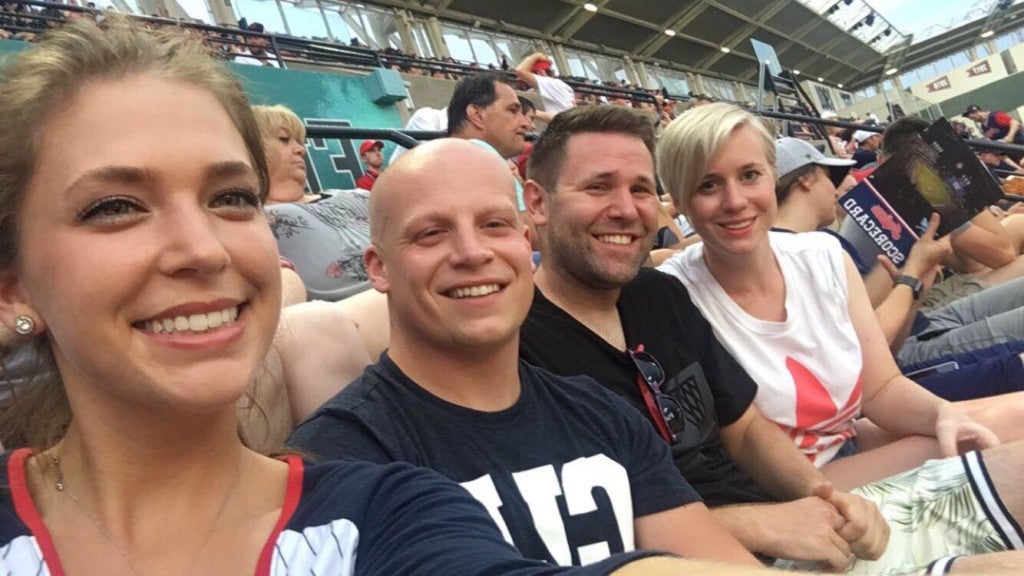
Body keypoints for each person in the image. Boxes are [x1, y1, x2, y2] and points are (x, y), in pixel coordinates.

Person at [0, 17, 716, 576]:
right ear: (13, 283)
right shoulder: (363, 438)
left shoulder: (387, 513)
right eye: (115, 206)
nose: (202, 249)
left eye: (230, 198)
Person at [518, 105, 1024, 575]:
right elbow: (581, 528)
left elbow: (744, 428)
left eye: (640, 189)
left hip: (803, 513)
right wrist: (767, 520)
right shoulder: (517, 349)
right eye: (599, 187)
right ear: (536, 202)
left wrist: (820, 496)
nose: (625, 209)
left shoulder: (655, 296)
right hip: (743, 552)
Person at [288, 138, 760, 568]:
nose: (472, 253)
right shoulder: (337, 458)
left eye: (494, 225)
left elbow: (719, 563)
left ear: (524, 243)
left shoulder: (601, 414)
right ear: (379, 268)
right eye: (431, 233)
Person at [251, 104, 317, 204]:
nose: (301, 149)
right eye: (284, 139)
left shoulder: (339, 198)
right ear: (253, 147)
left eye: (300, 142)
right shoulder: (238, 215)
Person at [515, 52, 575, 121]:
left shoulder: (549, 83)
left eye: (532, 74)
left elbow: (520, 71)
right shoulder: (560, 85)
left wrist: (536, 55)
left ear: (540, 72)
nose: (528, 83)